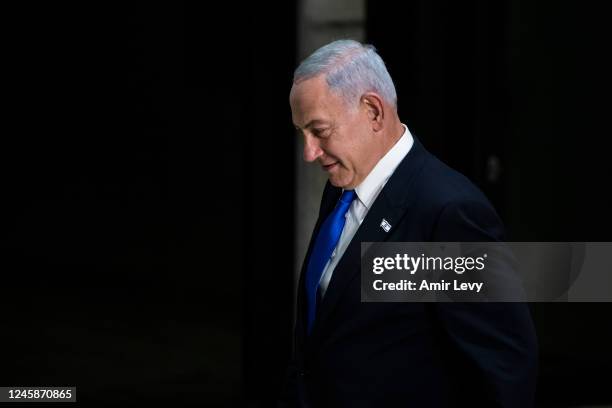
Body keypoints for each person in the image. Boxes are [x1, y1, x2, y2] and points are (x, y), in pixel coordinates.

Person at [281, 39, 538, 407]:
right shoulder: (340, 189)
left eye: (319, 131)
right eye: (302, 133)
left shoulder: (449, 212)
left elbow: (504, 370)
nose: (309, 152)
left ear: (372, 111)